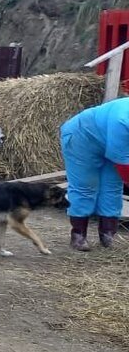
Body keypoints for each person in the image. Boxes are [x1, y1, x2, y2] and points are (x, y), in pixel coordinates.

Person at [60, 97, 129, 250]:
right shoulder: (123, 120)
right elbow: (124, 166)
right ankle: (78, 236)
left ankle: (107, 235)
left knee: (112, 187)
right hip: (82, 138)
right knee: (85, 186)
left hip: (111, 142)